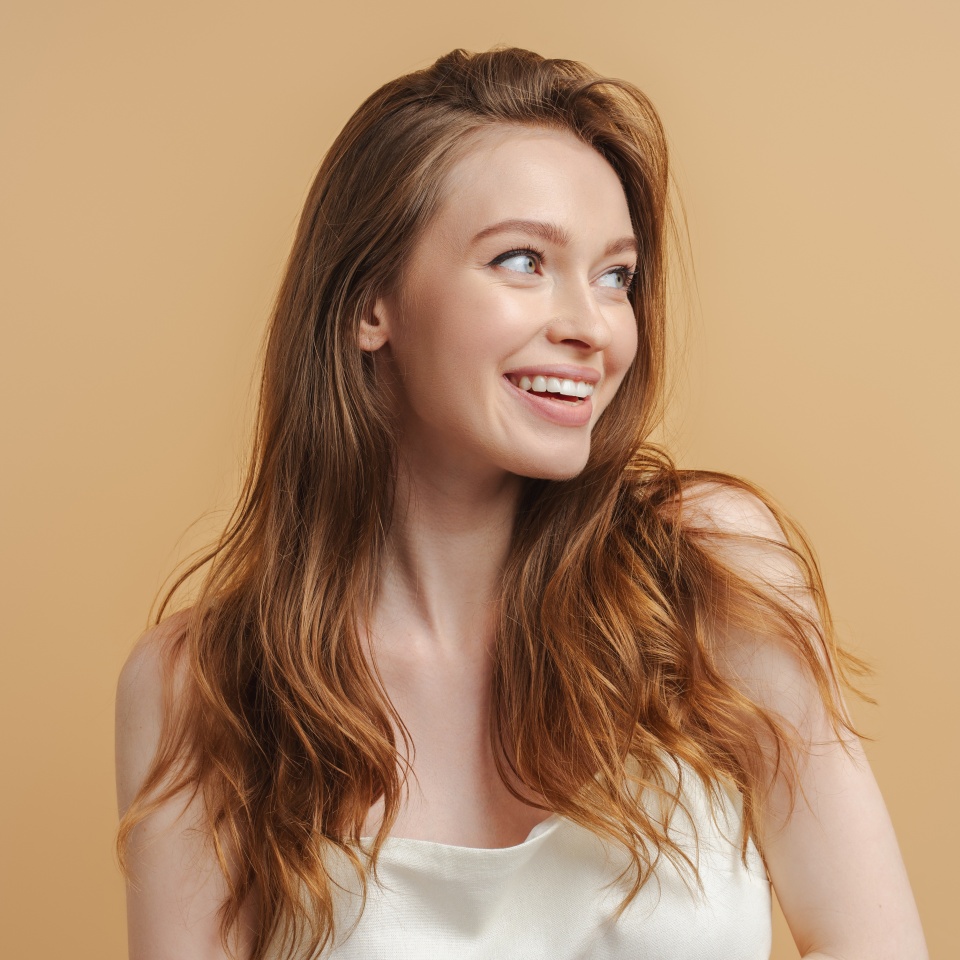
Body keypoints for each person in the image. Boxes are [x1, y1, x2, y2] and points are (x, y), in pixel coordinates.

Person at [115, 47, 927, 960]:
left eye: (615, 275)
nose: (591, 326)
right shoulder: (205, 686)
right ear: (369, 301)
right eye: (522, 260)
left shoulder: (708, 573)